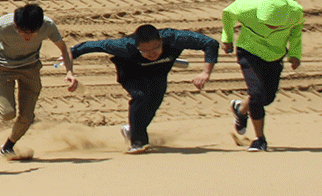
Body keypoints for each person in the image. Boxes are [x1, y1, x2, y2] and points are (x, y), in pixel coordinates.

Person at [70, 24, 217, 154]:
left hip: (158, 73)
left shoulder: (175, 38)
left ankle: (132, 130)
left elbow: (210, 43)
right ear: (137, 46)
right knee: (141, 97)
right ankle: (138, 142)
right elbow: (95, 45)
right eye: (145, 51)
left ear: (161, 40)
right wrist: (70, 54)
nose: (152, 53)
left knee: (152, 105)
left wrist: (205, 72)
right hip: (131, 73)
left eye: (156, 48)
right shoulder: (125, 45)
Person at [0, 2, 77, 158]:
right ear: (16, 25)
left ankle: (8, 146)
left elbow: (63, 48)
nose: (28, 37)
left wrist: (70, 72)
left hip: (30, 67)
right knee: (7, 114)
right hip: (2, 68)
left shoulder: (47, 25)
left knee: (27, 116)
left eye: (33, 33)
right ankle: (0, 106)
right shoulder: (4, 26)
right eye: (23, 32)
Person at [222, 0, 303, 153]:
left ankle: (241, 109)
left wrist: (295, 54)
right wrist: (227, 38)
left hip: (275, 54)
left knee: (266, 98)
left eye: (275, 25)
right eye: (266, 23)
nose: (270, 28)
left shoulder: (295, 12)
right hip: (249, 51)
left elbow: (296, 32)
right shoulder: (246, 6)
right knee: (257, 94)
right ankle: (260, 140)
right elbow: (227, 14)